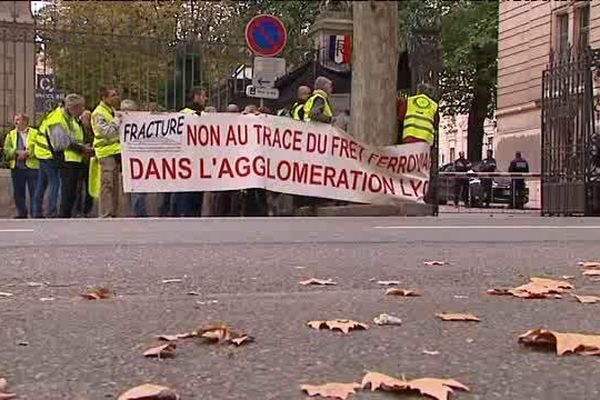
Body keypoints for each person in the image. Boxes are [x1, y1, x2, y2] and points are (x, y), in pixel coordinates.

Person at [170, 87, 208, 217]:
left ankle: (194, 214)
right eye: (203, 96)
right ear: (196, 97)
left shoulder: (206, 115)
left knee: (198, 190)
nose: (206, 99)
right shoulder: (184, 113)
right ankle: (183, 213)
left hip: (200, 158)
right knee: (186, 190)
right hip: (187, 158)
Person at [91, 87, 122, 218]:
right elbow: (106, 132)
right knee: (107, 184)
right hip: (105, 153)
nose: (116, 98)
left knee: (115, 184)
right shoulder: (98, 113)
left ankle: (113, 211)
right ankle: (106, 212)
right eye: (113, 95)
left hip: (115, 151)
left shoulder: (112, 111)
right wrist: (116, 121)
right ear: (104, 98)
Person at [3, 113, 39, 218]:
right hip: (17, 167)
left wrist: (28, 153)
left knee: (34, 191)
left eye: (18, 120)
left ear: (25, 122)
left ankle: (35, 213)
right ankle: (22, 213)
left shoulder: (35, 133)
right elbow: (6, 150)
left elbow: (39, 146)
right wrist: (17, 152)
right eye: (16, 120)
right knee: (18, 192)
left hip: (32, 166)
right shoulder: (11, 134)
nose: (16, 122)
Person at [33, 105, 62, 218]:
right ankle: (51, 211)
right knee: (54, 183)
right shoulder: (57, 117)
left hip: (41, 154)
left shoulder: (48, 118)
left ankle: (37, 212)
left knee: (41, 184)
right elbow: (56, 141)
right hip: (48, 156)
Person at [120, 99, 147, 217]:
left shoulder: (143, 123)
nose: (127, 114)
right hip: (126, 161)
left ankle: (139, 213)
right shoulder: (118, 123)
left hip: (140, 161)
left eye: (130, 111)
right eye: (125, 111)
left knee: (139, 190)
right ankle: (136, 214)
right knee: (132, 190)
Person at [72, 109, 95, 217]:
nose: (88, 121)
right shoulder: (78, 128)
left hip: (90, 160)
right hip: (80, 160)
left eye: (89, 119)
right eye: (86, 118)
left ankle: (87, 210)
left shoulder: (93, 130)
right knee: (78, 188)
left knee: (89, 187)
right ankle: (78, 210)